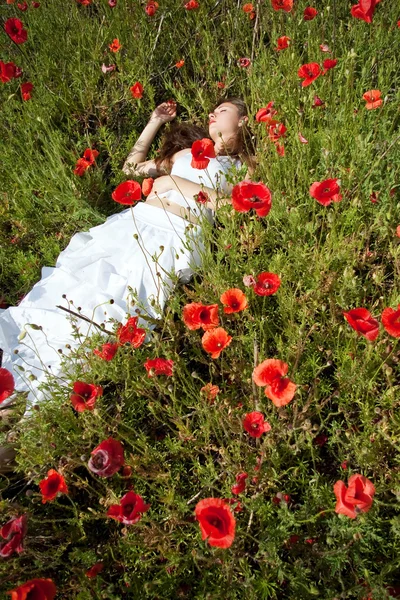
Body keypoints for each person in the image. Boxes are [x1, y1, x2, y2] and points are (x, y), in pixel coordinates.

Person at [0, 96, 257, 472]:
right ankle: (12, 391)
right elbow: (132, 167)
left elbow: (240, 204)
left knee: (107, 316)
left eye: (224, 108)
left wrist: (173, 182)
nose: (212, 113)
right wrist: (154, 122)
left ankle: (21, 431)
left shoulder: (245, 166)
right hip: (130, 229)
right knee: (65, 301)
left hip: (172, 240)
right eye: (212, 109)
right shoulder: (184, 150)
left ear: (244, 119)